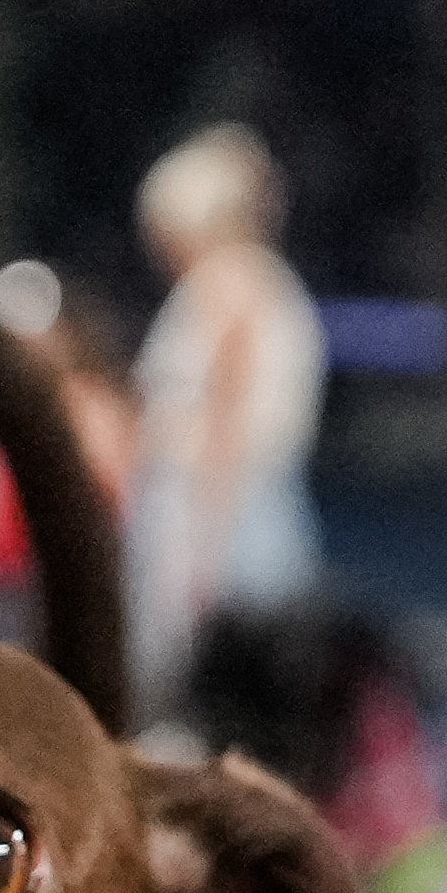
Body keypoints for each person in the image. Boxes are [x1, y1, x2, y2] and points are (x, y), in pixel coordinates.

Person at [126, 123, 326, 711]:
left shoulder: (227, 288)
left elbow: (225, 426)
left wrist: (201, 551)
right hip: (249, 507)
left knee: (215, 688)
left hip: (220, 511)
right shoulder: (266, 284)